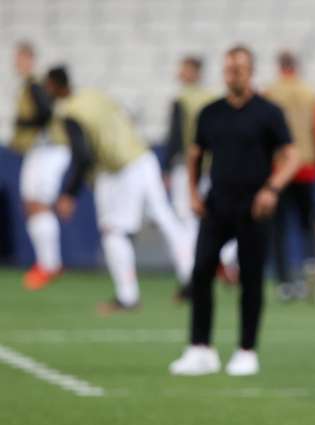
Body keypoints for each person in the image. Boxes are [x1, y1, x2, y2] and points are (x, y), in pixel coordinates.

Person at [169, 45, 299, 377]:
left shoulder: (268, 112)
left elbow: (291, 156)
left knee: (251, 279)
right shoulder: (210, 112)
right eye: (228, 69)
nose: (233, 74)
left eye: (239, 68)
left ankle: (246, 350)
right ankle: (200, 348)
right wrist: (193, 194)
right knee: (200, 271)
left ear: (250, 71)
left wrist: (272, 188)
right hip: (217, 204)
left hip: (254, 207)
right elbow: (196, 153)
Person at [46, 67, 194, 314]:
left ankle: (128, 296)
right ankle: (192, 280)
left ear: (54, 85)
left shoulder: (70, 112)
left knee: (114, 231)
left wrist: (69, 194)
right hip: (142, 156)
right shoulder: (94, 95)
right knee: (167, 220)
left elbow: (82, 157)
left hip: (118, 169)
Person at [264, 51, 315, 301]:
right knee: (308, 226)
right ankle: (310, 276)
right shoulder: (310, 93)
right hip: (306, 167)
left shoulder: (270, 93)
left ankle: (285, 282)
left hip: (279, 169)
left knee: (279, 227)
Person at [10, 42, 71, 290]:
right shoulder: (29, 86)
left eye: (23, 59)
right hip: (38, 150)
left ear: (31, 60)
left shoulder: (35, 85)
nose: (19, 63)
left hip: (49, 149)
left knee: (40, 204)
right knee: (31, 205)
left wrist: (24, 123)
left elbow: (45, 113)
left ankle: (51, 265)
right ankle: (45, 263)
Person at [161, 56, 218, 256]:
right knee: (209, 215)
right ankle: (223, 259)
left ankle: (192, 267)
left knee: (185, 217)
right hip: (211, 166)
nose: (180, 73)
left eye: (184, 69)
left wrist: (166, 168)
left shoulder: (182, 99)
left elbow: (175, 136)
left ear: (194, 72)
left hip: (188, 166)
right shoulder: (211, 98)